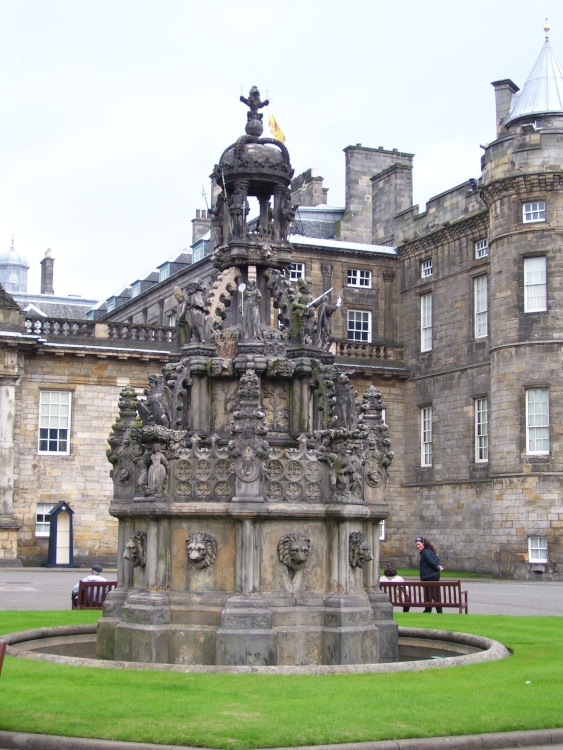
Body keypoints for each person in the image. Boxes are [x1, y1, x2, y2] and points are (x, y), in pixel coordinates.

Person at [415, 536, 444, 613]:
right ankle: (430, 609)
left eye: (419, 544)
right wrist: (438, 566)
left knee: (432, 594)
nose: (418, 546)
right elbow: (437, 559)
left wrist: (437, 567)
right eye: (417, 545)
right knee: (432, 594)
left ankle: (434, 610)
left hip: (429, 576)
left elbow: (431, 561)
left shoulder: (425, 552)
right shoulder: (429, 551)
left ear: (423, 544)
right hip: (433, 575)